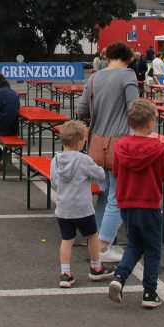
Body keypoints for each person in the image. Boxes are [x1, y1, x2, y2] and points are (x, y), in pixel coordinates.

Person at [107, 99, 164, 309]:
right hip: (149, 203)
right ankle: (149, 291)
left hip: (126, 202)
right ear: (149, 123)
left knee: (134, 244)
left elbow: (117, 172)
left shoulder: (121, 146)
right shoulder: (158, 148)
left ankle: (120, 276)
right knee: (153, 248)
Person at [77, 41, 139, 264]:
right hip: (119, 143)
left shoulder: (94, 78)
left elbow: (82, 110)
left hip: (95, 142)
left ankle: (95, 242)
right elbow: (135, 109)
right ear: (129, 57)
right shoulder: (128, 76)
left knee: (103, 195)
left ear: (108, 56)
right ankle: (103, 246)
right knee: (118, 197)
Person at [50, 120, 112, 288]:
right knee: (92, 235)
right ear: (79, 142)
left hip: (63, 208)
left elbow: (54, 183)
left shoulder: (55, 161)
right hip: (82, 208)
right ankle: (96, 267)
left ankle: (65, 273)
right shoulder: (83, 159)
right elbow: (99, 174)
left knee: (67, 239)